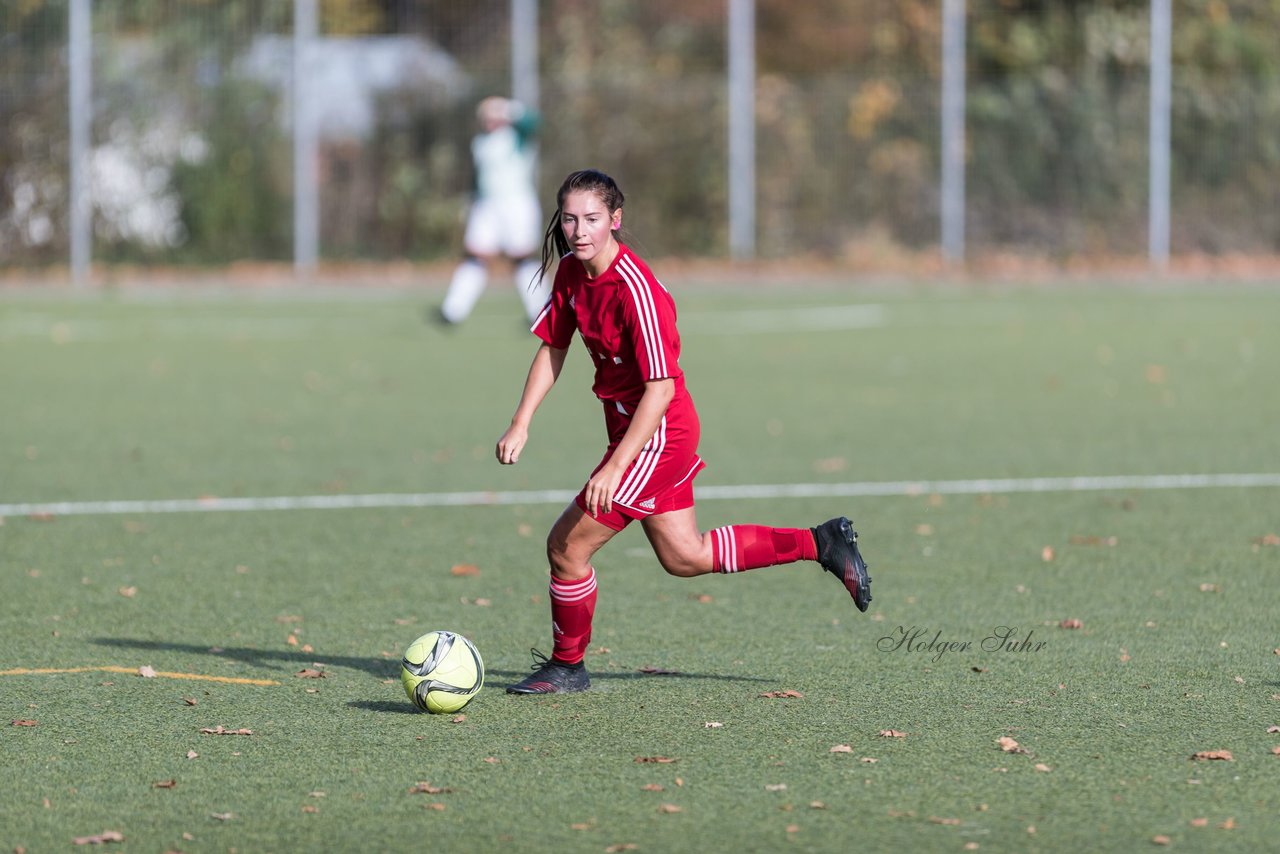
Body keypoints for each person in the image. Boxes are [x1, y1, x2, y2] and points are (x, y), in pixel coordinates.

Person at [495, 169, 873, 695]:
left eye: (592, 219)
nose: (579, 231)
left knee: (566, 548)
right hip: (636, 430)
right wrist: (521, 421)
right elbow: (554, 347)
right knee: (684, 556)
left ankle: (567, 666)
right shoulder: (571, 275)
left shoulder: (636, 290)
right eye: (570, 218)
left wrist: (616, 466)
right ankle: (821, 541)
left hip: (658, 434)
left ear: (615, 220)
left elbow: (661, 390)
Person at [439, 96, 548, 325]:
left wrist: (510, 108)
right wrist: (470, 200)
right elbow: (477, 177)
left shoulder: (517, 137)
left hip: (516, 203)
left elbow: (535, 123)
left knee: (522, 258)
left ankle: (540, 311)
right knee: (474, 257)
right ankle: (452, 311)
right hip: (486, 205)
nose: (489, 121)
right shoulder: (480, 143)